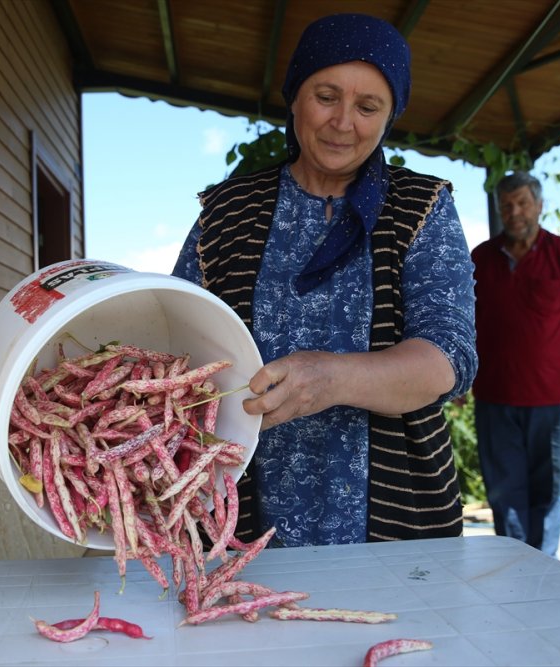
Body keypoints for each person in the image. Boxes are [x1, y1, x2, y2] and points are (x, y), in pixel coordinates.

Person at [172, 13, 478, 547]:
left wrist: (329, 380)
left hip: (396, 516)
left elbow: (447, 358)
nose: (343, 122)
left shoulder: (421, 206)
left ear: (389, 117)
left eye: (367, 106)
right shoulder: (227, 212)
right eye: (326, 96)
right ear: (294, 97)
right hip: (234, 516)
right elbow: (176, 342)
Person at [470, 171, 560, 556]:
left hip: (556, 399)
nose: (514, 212)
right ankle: (513, 569)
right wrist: (457, 377)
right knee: (504, 492)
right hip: (495, 398)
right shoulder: (481, 258)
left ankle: (544, 572)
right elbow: (464, 323)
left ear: (539, 205)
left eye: (522, 203)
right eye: (506, 205)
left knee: (549, 493)